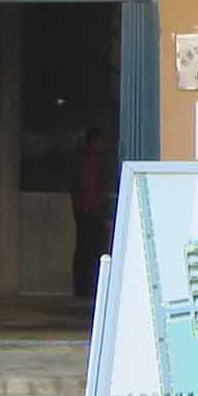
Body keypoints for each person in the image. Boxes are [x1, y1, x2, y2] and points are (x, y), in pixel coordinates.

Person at [70, 126, 111, 298]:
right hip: (89, 211)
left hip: (86, 209)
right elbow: (88, 187)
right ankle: (87, 288)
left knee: (85, 249)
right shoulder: (90, 160)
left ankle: (85, 288)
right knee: (90, 250)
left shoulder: (86, 159)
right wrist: (96, 209)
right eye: (101, 141)